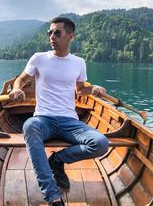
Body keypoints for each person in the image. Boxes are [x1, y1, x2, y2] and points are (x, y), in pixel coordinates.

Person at [9, 17, 109, 206]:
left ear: (70, 36)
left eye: (57, 33)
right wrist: (16, 89)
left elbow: (80, 89)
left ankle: (57, 160)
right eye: (50, 33)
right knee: (30, 126)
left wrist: (94, 88)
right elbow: (21, 80)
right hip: (43, 119)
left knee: (101, 143)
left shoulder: (79, 62)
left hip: (69, 121)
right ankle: (52, 195)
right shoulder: (39, 58)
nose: (51, 37)